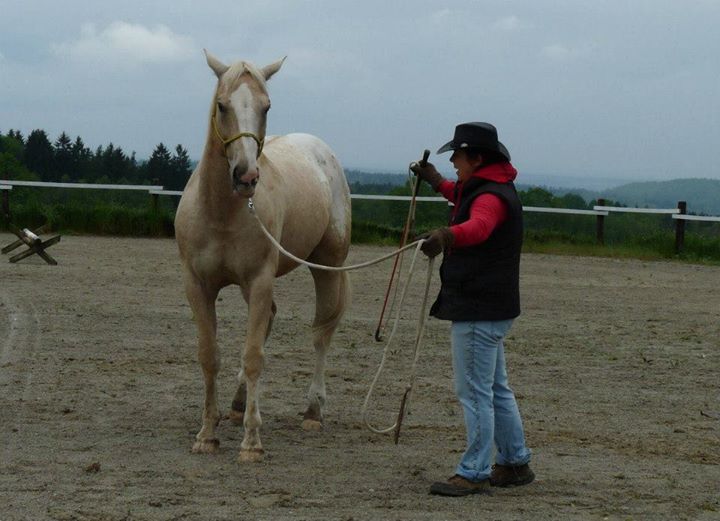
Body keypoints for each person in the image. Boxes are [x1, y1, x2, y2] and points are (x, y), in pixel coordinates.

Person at [410, 122, 534, 497]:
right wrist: (435, 181)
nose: (455, 166)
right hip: (492, 304)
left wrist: (446, 235)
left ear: (477, 159)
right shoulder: (489, 187)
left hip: (478, 306)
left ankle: (475, 470)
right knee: (495, 388)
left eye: (458, 158)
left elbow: (478, 226)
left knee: (475, 391)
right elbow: (460, 195)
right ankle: (514, 462)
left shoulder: (489, 198)